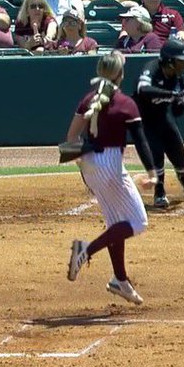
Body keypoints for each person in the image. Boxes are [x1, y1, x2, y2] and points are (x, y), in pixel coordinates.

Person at [63, 51, 159, 305]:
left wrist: (85, 167)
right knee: (139, 223)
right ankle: (86, 250)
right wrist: (152, 173)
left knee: (117, 222)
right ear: (120, 75)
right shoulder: (125, 103)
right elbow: (140, 141)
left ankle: (120, 280)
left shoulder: (88, 99)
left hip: (90, 164)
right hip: (111, 164)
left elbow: (70, 139)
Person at [129, 39, 184, 207]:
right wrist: (173, 94)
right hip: (145, 121)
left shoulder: (178, 78)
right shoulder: (152, 67)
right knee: (156, 154)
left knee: (179, 155)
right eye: (180, 61)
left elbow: (177, 111)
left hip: (164, 117)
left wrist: (183, 101)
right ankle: (159, 191)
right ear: (170, 61)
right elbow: (144, 89)